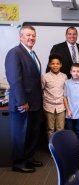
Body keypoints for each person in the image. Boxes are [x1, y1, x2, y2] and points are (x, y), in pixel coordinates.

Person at [5, 25, 43, 173]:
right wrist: (22, 101)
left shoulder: (32, 53)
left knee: (32, 133)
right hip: (23, 103)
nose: (31, 38)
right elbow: (14, 80)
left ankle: (28, 158)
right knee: (21, 134)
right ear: (20, 37)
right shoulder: (15, 53)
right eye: (27, 35)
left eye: (33, 35)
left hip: (34, 103)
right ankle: (19, 163)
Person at [64, 63, 79, 157]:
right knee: (70, 131)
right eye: (74, 71)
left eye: (78, 71)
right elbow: (65, 97)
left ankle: (78, 148)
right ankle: (71, 148)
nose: (76, 73)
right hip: (69, 111)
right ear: (70, 72)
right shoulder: (67, 83)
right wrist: (68, 110)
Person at [41, 54, 67, 139]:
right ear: (49, 65)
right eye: (53, 63)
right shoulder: (44, 76)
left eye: (57, 63)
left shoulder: (64, 76)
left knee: (60, 128)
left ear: (61, 65)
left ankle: (59, 148)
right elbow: (41, 90)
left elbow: (65, 91)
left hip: (61, 107)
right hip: (48, 107)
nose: (55, 65)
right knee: (50, 129)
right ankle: (51, 148)